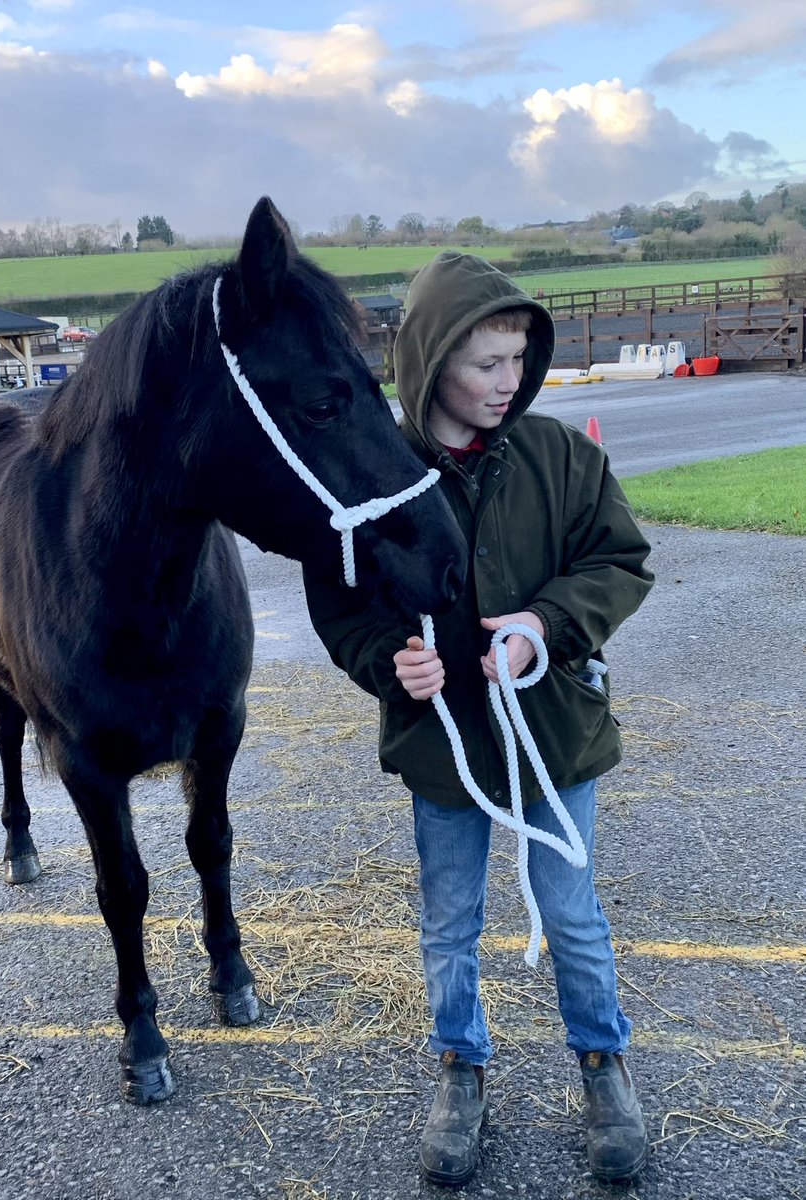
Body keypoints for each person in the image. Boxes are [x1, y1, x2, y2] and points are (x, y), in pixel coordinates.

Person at [302, 252, 655, 1186]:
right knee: (449, 920)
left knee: (572, 912)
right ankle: (460, 1065)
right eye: (485, 364)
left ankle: (601, 1061)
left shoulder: (563, 457)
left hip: (553, 736)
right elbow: (342, 609)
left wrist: (546, 627)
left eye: (517, 360)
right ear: (427, 365)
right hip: (440, 749)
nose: (508, 383)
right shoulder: (372, 475)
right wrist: (390, 661)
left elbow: (617, 561)